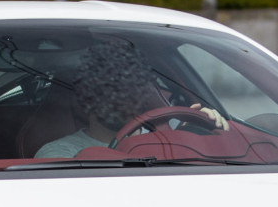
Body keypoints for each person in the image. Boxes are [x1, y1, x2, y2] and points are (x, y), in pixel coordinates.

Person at [30, 37, 217, 160]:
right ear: (88, 97)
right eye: (108, 87)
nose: (119, 95)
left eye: (129, 86)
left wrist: (189, 138)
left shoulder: (167, 140)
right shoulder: (60, 153)